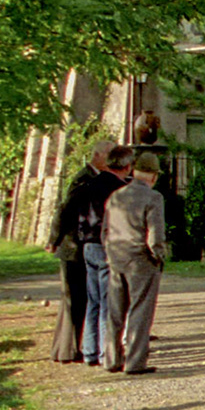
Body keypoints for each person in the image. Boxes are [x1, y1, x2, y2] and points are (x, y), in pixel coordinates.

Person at [58, 144, 130, 366]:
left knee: (93, 300)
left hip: (87, 244)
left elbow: (69, 209)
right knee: (108, 301)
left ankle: (90, 350)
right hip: (106, 244)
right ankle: (106, 352)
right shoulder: (120, 189)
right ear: (126, 166)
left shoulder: (89, 184)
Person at [48, 139, 114, 362]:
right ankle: (68, 350)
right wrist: (54, 240)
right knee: (74, 300)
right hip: (73, 247)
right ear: (98, 156)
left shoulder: (95, 178)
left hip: (80, 246)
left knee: (82, 299)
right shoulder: (84, 178)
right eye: (109, 156)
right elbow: (65, 210)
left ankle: (75, 348)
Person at [101, 153, 167, 374]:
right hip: (140, 258)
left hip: (116, 254)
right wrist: (158, 256)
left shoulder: (115, 196)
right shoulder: (153, 197)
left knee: (115, 311)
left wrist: (110, 252)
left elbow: (105, 230)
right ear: (154, 176)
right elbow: (155, 234)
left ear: (134, 171)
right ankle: (135, 361)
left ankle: (111, 358)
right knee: (140, 310)